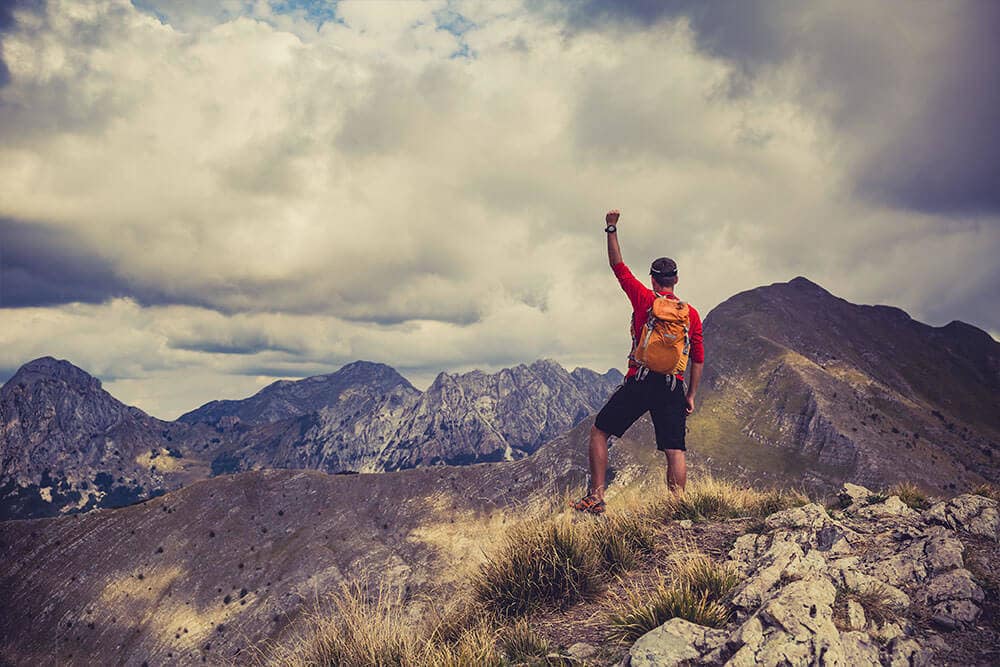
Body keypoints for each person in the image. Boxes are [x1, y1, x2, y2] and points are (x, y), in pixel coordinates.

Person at [572, 209, 704, 515]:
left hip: (641, 380)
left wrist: (611, 228)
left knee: (599, 431)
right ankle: (677, 509)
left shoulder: (644, 300)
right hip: (673, 385)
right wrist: (691, 395)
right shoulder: (691, 315)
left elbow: (617, 266)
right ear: (676, 280)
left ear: (654, 280)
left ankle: (596, 496)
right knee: (675, 450)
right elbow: (697, 358)